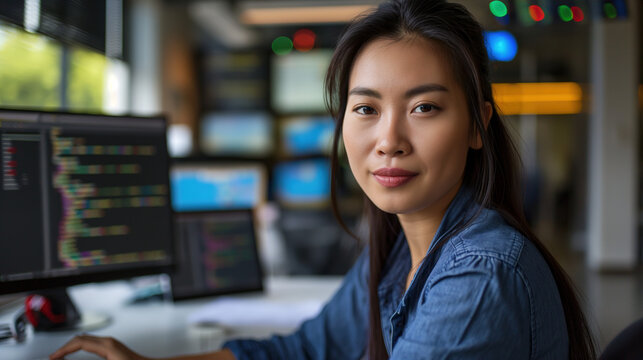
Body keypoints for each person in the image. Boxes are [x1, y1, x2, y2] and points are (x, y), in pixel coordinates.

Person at [50, 0, 597, 359]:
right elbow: (307, 348)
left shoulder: (480, 276)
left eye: (425, 107)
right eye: (365, 110)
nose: (389, 139)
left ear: (478, 124)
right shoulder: (400, 252)